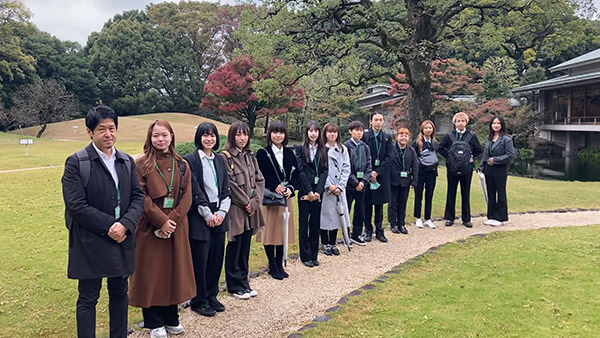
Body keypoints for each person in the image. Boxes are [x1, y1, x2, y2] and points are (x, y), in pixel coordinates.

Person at [62, 105, 144, 338]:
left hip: (122, 238)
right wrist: (111, 226)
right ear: (90, 132)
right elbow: (76, 205)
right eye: (101, 129)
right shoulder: (77, 162)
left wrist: (126, 224)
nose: (108, 134)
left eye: (112, 128)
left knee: (120, 293)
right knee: (88, 297)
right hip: (90, 240)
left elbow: (138, 196)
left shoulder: (126, 161)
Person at [129, 120, 195, 338]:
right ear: (150, 138)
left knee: (173, 272)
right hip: (150, 228)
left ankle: (171, 317)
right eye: (156, 135)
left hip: (176, 226)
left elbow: (186, 197)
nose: (161, 139)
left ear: (172, 137)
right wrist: (161, 221)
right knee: (151, 273)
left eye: (165, 135)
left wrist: (171, 220)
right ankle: (153, 321)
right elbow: (141, 198)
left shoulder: (182, 164)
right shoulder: (141, 165)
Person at [184, 122, 231, 317]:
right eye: (205, 135)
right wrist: (207, 214)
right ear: (199, 138)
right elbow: (195, 189)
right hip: (200, 214)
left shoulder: (220, 159)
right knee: (200, 260)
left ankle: (212, 295)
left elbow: (226, 188)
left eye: (212, 135)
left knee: (215, 258)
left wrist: (221, 213)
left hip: (218, 213)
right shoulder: (191, 160)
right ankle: (199, 299)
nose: (209, 139)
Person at [222, 121, 266, 299]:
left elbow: (259, 180)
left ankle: (244, 281)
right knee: (235, 243)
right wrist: (245, 202)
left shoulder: (250, 156)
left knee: (246, 244)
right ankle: (234, 285)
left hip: (251, 208)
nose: (242, 138)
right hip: (237, 208)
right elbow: (230, 184)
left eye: (245, 134)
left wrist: (255, 202)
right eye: (238, 134)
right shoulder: (226, 157)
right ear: (232, 136)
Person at [256, 121, 298, 280]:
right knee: (270, 230)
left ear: (285, 135)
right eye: (275, 132)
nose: (278, 135)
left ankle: (279, 262)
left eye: (281, 132)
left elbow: (296, 174)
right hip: (270, 197)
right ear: (269, 134)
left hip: (286, 197)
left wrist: (290, 188)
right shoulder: (262, 153)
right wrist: (275, 186)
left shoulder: (289, 153)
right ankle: (272, 263)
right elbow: (260, 175)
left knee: (282, 230)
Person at [438, 112, 483, 228]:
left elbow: (478, 149)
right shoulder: (449, 136)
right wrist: (449, 157)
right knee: (451, 192)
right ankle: (449, 217)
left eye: (463, 121)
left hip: (467, 169)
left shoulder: (471, 136)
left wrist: (469, 157)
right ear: (455, 123)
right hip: (452, 169)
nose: (460, 123)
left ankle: (466, 219)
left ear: (466, 122)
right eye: (458, 121)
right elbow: (440, 148)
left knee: (465, 193)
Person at [294, 121, 328, 267]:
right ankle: (305, 255)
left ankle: (314, 254)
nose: (313, 133)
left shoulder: (323, 150)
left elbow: (324, 171)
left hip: (318, 193)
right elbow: (300, 171)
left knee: (315, 224)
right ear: (306, 132)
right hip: (305, 192)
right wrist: (309, 191)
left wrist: (318, 191)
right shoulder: (300, 149)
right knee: (304, 223)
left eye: (316, 131)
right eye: (310, 131)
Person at [320, 123, 351, 256]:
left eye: (335, 132)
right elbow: (321, 170)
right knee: (326, 216)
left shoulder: (343, 149)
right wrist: (329, 186)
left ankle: (333, 243)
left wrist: (340, 186)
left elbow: (346, 168)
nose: (332, 134)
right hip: (327, 188)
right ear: (325, 134)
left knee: (338, 216)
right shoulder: (321, 149)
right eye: (329, 132)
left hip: (339, 188)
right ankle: (325, 242)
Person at [478, 115, 515, 226]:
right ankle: (491, 216)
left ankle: (500, 217)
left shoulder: (506, 140)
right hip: (489, 170)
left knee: (501, 193)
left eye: (498, 123)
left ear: (502, 125)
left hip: (500, 170)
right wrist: (481, 167)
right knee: (491, 193)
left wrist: (496, 160)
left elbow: (510, 155)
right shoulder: (489, 139)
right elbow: (485, 155)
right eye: (494, 123)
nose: (496, 125)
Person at [362, 112, 393, 242]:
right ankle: (368, 230)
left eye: (380, 120)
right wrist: (369, 173)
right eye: (376, 120)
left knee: (379, 205)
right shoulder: (365, 136)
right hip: (367, 174)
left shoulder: (387, 138)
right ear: (371, 122)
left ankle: (379, 230)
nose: (378, 122)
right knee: (367, 203)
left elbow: (389, 156)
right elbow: (362, 155)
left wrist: (377, 172)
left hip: (381, 175)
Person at [343, 120, 372, 246]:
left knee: (360, 210)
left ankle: (356, 234)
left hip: (362, 184)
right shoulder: (346, 146)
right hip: (350, 185)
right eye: (356, 130)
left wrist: (364, 181)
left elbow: (369, 165)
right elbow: (345, 167)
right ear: (350, 131)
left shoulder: (365, 147)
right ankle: (345, 234)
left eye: (361, 130)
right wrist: (355, 182)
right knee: (347, 209)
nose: (359, 133)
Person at [389, 127, 419, 235]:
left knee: (402, 203)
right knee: (392, 204)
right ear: (397, 137)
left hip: (405, 181)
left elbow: (415, 166)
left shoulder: (411, 151)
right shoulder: (391, 149)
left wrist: (414, 181)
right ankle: (393, 224)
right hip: (393, 180)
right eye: (401, 135)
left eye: (406, 135)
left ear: (409, 138)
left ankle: (401, 223)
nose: (403, 137)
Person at [411, 120, 439, 229]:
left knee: (429, 195)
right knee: (418, 195)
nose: (428, 130)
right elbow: (413, 157)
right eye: (426, 128)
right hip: (420, 173)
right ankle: (418, 217)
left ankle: (428, 218)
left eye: (430, 128)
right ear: (422, 129)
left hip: (431, 172)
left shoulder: (435, 142)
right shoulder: (417, 142)